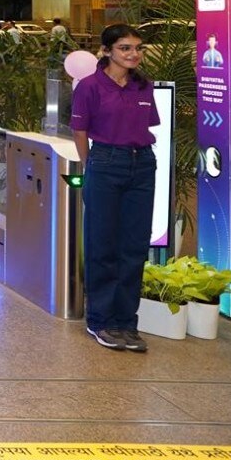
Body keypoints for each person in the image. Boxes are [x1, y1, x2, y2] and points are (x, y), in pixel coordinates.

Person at [71, 24, 159, 353]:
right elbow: (80, 131)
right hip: (105, 162)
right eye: (125, 48)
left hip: (143, 164)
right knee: (102, 244)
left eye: (138, 48)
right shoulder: (90, 86)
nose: (134, 54)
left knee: (134, 247)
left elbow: (145, 125)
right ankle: (101, 321)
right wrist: (91, 165)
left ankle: (126, 322)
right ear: (107, 51)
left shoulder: (143, 86)